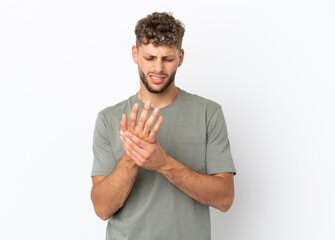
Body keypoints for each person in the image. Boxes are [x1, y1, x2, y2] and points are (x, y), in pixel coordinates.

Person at [90, 12, 236, 240]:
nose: (158, 68)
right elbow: (102, 208)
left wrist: (163, 163)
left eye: (167, 59)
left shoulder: (209, 113)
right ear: (135, 54)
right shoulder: (109, 119)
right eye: (149, 58)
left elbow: (225, 199)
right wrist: (132, 157)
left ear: (180, 57)